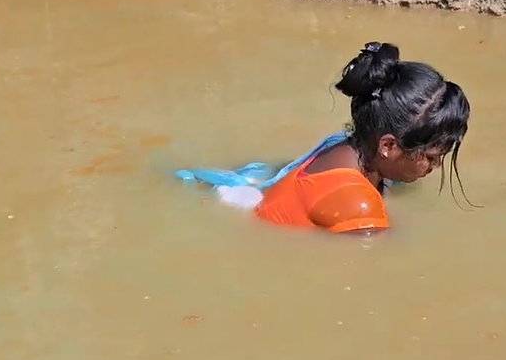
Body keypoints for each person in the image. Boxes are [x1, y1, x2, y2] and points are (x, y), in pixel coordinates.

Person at [175, 42, 472, 233]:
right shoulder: (358, 205)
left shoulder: (344, 147)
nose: (434, 167)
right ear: (388, 145)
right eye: (431, 158)